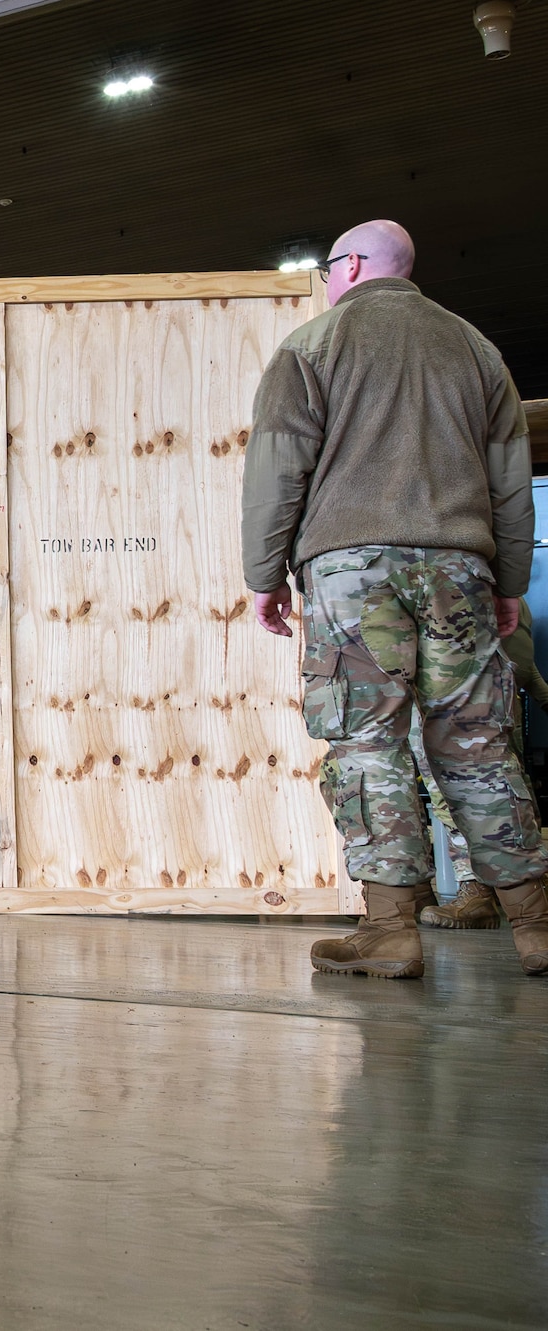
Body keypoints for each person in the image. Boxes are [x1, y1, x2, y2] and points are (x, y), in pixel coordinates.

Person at [243, 218, 545, 978]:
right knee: (476, 742)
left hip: (351, 575)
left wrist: (264, 574)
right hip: (460, 568)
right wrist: (510, 582)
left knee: (365, 742)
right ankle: (537, 925)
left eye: (327, 269)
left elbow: (277, 472)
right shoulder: (477, 350)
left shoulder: (311, 347)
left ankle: (390, 931)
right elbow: (511, 481)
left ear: (348, 267)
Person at [422, 602, 548, 928]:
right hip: (481, 695)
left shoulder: (465, 587)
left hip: (460, 698)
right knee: (498, 793)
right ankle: (492, 894)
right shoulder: (500, 589)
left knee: (474, 795)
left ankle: (503, 896)